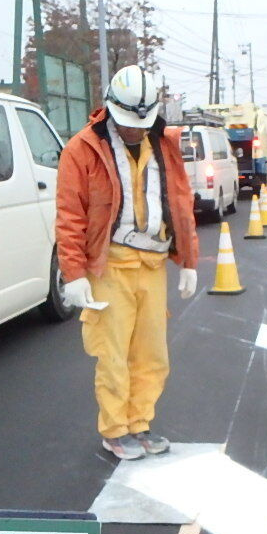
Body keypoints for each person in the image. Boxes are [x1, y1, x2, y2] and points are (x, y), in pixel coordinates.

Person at [55, 64, 199, 461]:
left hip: (151, 264)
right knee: (112, 352)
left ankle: (140, 422)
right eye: (129, 123)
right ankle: (116, 429)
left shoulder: (163, 144)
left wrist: (188, 259)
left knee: (152, 353)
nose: (136, 130)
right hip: (111, 264)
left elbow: (180, 203)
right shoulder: (82, 150)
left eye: (142, 122)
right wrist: (74, 274)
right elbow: (70, 216)